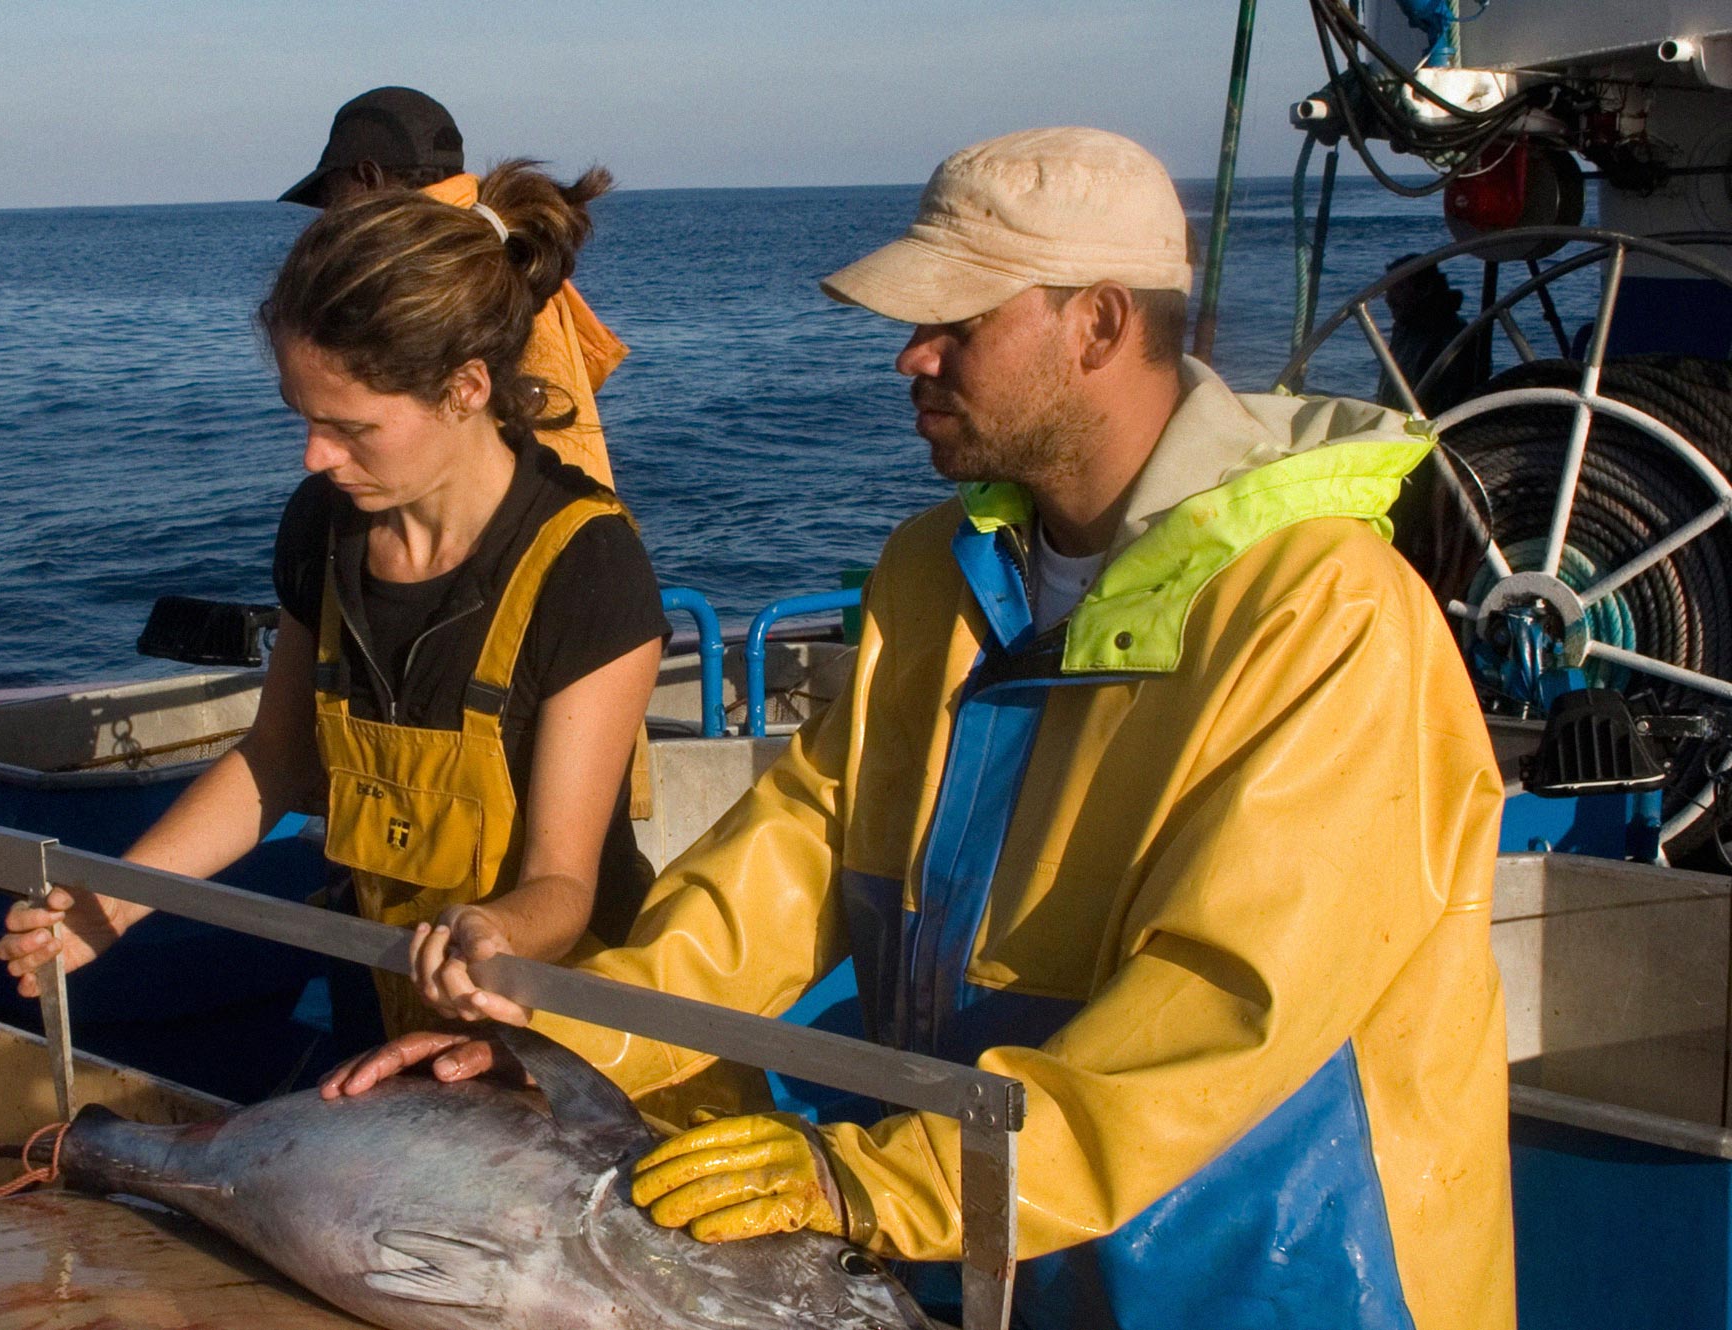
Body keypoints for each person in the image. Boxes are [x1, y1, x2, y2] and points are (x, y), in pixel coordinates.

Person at [325, 129, 1513, 1329]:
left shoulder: (1329, 613)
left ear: (1098, 324)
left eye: (958, 321)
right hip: (1003, 1256)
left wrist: (878, 1179)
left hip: (1278, 1280)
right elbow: (793, 858)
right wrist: (574, 1042)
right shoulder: (937, 572)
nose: (912, 354)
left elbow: (1222, 1010)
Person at [0, 160, 669, 1038]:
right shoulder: (327, 526)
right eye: (302, 417)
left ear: (466, 388)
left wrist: (493, 930)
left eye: (351, 428)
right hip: (380, 986)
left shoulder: (588, 567)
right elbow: (278, 758)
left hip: (549, 1019)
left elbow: (565, 883)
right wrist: (113, 901)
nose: (315, 457)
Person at [281, 87, 629, 489]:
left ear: (368, 178)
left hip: (520, 531)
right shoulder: (497, 243)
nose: (329, 219)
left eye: (330, 198)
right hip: (572, 508)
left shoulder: (425, 273)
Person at [1378, 253, 1483, 416]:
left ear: (1425, 288)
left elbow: (1447, 405)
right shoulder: (1404, 329)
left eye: (1398, 288)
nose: (1388, 299)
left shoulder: (1453, 336)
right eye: (1388, 290)